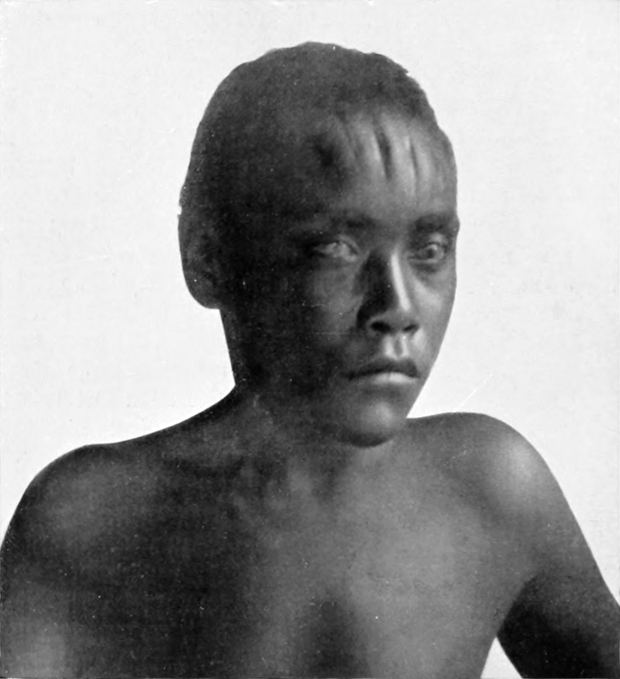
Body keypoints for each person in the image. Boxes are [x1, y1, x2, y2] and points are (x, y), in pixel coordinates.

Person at [1, 42, 617, 679]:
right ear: (208, 260)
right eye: (336, 248)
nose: (397, 307)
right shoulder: (93, 517)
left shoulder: (490, 489)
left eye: (429, 250)